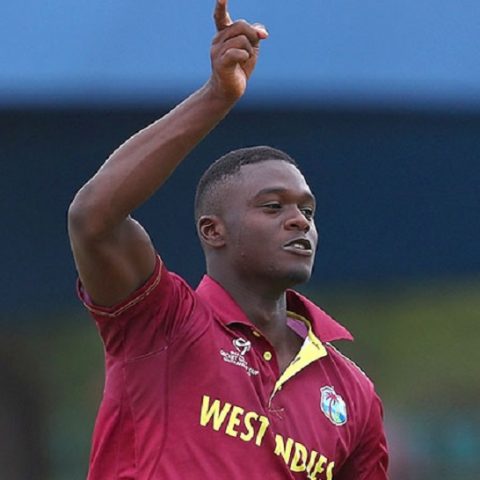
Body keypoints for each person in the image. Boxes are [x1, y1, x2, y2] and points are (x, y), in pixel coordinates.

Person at [68, 0, 389, 478]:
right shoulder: (161, 322)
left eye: (307, 211)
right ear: (212, 230)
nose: (299, 221)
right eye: (273, 206)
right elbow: (93, 218)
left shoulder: (352, 394)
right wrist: (216, 96)